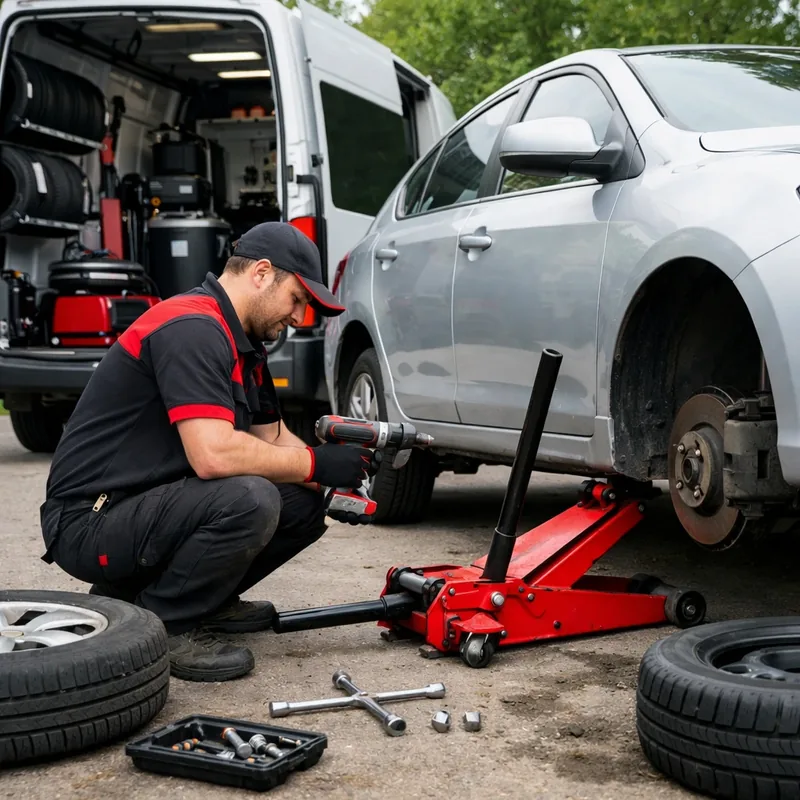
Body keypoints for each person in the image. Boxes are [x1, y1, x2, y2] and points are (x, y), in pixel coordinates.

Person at [39, 221, 376, 682]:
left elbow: (272, 438)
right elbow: (213, 456)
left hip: (145, 509)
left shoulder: (243, 342)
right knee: (250, 498)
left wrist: (334, 480)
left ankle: (204, 602)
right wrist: (315, 462)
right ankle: (167, 623)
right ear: (261, 273)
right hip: (89, 521)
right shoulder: (192, 327)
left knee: (301, 502)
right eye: (297, 299)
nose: (299, 317)